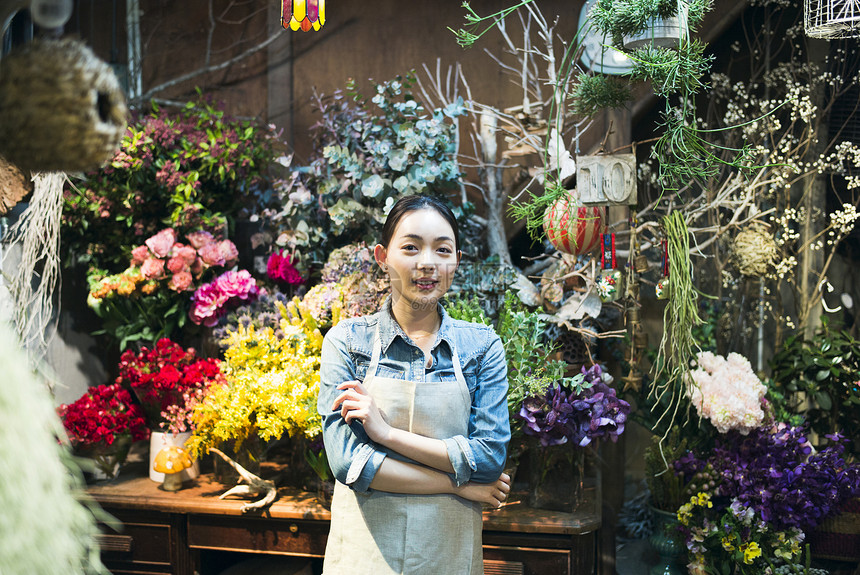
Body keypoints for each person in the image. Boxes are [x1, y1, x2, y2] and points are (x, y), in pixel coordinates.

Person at [319, 194, 512, 575]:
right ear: (382, 256)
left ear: (456, 260)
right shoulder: (347, 342)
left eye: (442, 249)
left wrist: (385, 434)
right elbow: (349, 465)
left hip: (448, 556)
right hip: (365, 558)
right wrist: (458, 485)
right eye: (410, 247)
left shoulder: (481, 346)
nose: (427, 263)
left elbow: (489, 460)